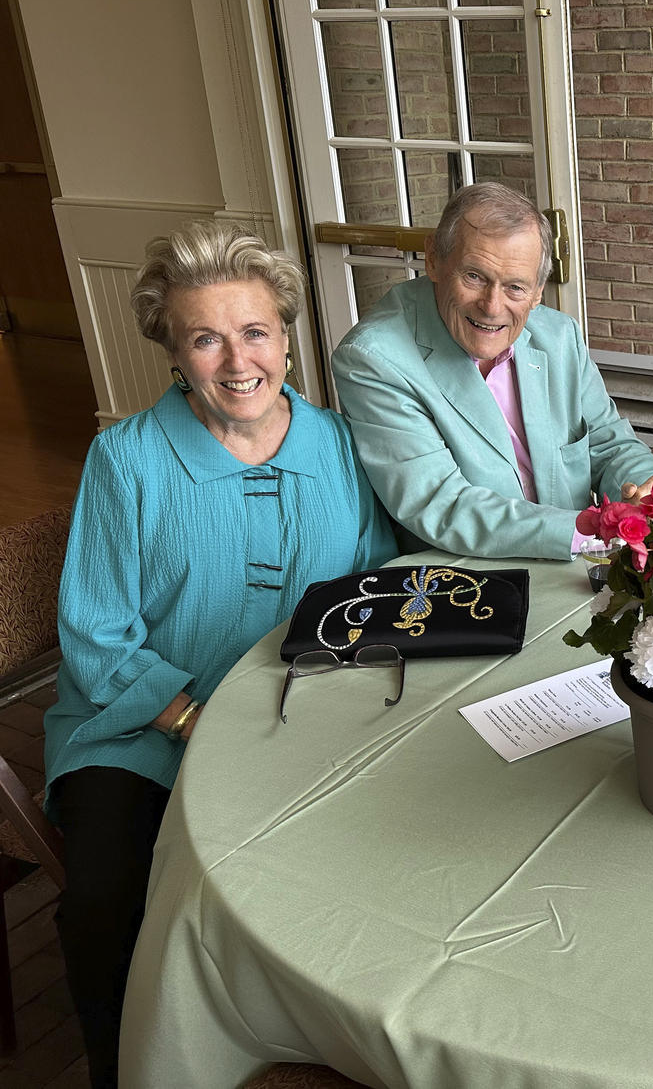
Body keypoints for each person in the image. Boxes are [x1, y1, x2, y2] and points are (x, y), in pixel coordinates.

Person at [45, 222, 396, 1089]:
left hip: (297, 710)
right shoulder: (125, 461)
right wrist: (196, 719)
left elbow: (373, 587)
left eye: (255, 331)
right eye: (205, 337)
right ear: (173, 349)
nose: (237, 361)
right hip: (139, 727)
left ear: (285, 334)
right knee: (106, 902)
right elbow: (95, 634)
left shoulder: (338, 444)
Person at [332, 183, 653, 560]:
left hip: (578, 561)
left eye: (515, 287)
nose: (492, 306)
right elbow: (442, 504)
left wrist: (647, 495)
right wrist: (589, 532)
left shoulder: (559, 337)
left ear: (538, 291)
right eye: (474, 276)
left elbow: (611, 444)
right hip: (468, 581)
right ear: (433, 260)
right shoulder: (372, 359)